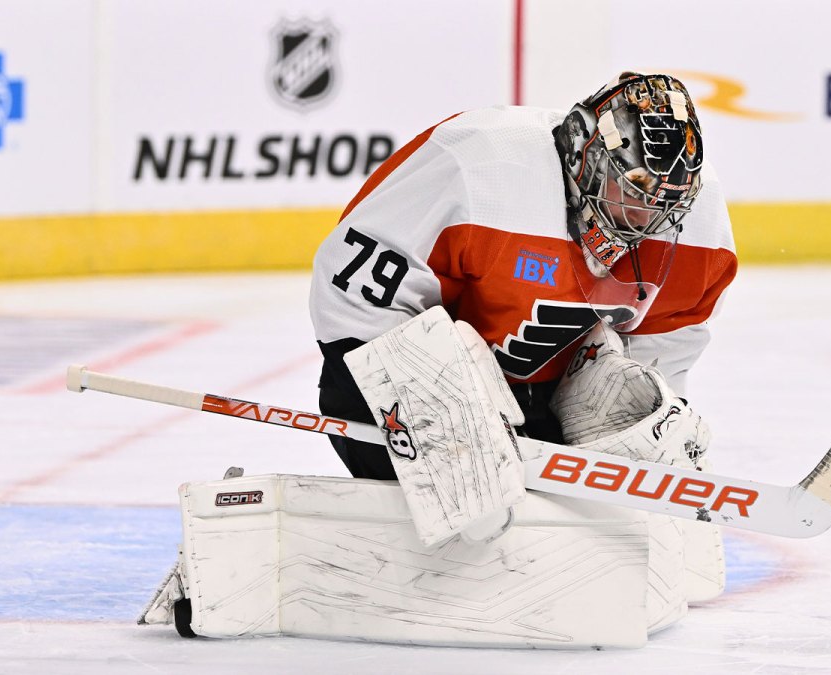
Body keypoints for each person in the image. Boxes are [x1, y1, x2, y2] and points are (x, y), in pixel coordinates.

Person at [309, 71, 737, 480]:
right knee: (466, 485)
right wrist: (429, 405)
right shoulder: (480, 163)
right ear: (582, 152)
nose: (644, 218)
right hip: (417, 370)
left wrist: (644, 427)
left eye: (665, 206)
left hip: (548, 396)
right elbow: (355, 293)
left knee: (643, 432)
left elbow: (669, 340)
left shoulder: (696, 213)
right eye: (630, 190)